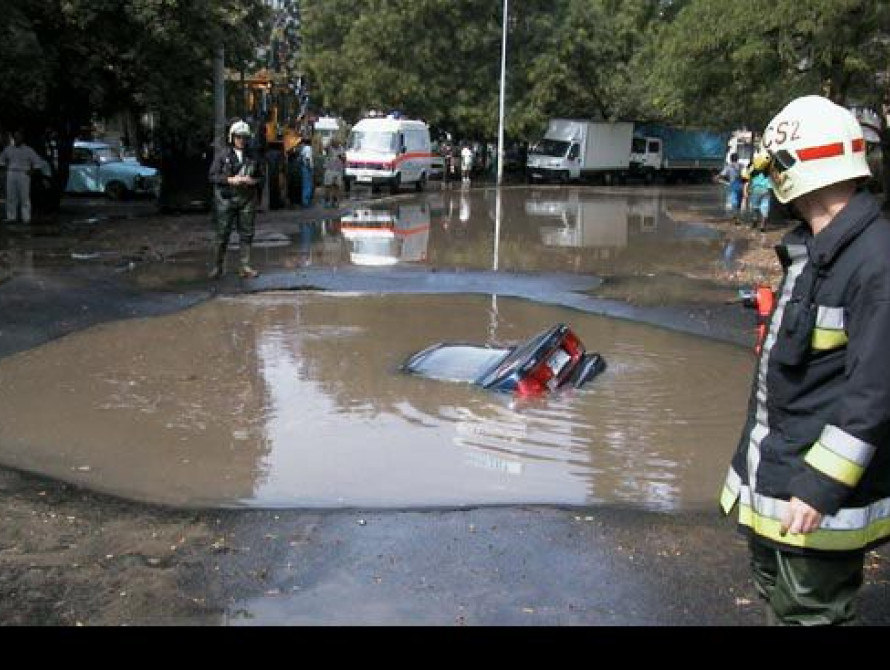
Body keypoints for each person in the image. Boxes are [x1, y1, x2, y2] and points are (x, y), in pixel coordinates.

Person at [720, 94, 890, 626]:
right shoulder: (812, 250)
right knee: (779, 607)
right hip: (777, 482)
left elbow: (874, 394)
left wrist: (819, 486)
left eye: (773, 169)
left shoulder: (875, 261)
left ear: (796, 169)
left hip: (814, 498)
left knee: (809, 615)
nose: (768, 185)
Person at [207, 119, 263, 279]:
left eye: (245, 137)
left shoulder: (252, 156)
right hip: (225, 200)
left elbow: (260, 177)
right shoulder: (222, 155)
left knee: (247, 233)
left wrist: (252, 181)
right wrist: (230, 180)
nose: (242, 140)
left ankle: (245, 266)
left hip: (247, 199)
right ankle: (217, 267)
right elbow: (212, 176)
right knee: (222, 234)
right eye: (238, 137)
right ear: (232, 137)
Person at [0, 131, 43, 224]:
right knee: (11, 196)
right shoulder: (8, 149)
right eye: (15, 137)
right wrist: (5, 169)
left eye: (18, 137)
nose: (16, 139)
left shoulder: (28, 150)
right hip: (11, 172)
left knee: (24, 196)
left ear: (22, 138)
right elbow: (2, 160)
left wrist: (32, 171)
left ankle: (26, 217)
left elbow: (38, 162)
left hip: (23, 173)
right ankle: (11, 217)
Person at [744, 163, 773, 232]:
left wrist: (746, 191)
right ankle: (762, 226)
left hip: (756, 190)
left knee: (755, 207)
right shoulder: (768, 172)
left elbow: (747, 182)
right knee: (765, 208)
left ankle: (755, 222)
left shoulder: (753, 171)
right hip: (766, 190)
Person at [718, 152, 744, 222]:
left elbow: (722, 175)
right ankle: (737, 216)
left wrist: (717, 177)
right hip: (741, 185)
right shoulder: (742, 166)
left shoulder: (729, 166)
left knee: (734, 201)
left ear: (731, 159)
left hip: (733, 185)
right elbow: (746, 175)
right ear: (737, 159)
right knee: (739, 202)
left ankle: (736, 217)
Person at [322, 141, 344, 208]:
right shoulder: (329, 148)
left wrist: (342, 157)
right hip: (329, 169)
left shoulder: (341, 148)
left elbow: (344, 159)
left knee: (336, 186)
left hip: (338, 170)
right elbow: (324, 148)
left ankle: (334, 202)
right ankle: (326, 202)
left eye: (337, 141)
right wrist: (329, 141)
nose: (337, 143)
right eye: (335, 141)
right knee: (328, 186)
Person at [299, 136, 314, 207]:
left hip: (303, 167)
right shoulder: (308, 148)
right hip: (307, 168)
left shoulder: (303, 148)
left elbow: (301, 158)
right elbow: (308, 158)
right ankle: (306, 202)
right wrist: (309, 168)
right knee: (308, 185)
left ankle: (304, 200)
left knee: (305, 184)